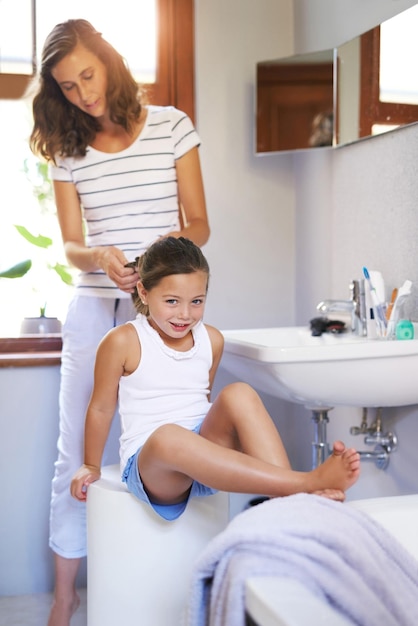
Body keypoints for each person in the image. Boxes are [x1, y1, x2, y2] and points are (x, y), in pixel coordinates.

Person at [29, 19, 209, 626]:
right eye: (68, 86)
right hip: (94, 308)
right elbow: (71, 247)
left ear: (108, 60)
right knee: (74, 452)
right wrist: (101, 258)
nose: (83, 93)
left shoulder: (171, 125)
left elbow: (200, 223)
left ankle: (173, 585)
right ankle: (64, 597)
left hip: (165, 309)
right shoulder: (66, 148)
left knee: (181, 437)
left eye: (88, 74)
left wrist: (166, 251)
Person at [71, 236, 360, 546]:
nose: (185, 314)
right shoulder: (122, 341)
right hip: (154, 466)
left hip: (203, 453)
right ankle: (304, 485)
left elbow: (204, 401)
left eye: (196, 301)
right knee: (168, 435)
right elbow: (101, 407)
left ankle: (289, 507)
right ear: (144, 291)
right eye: (172, 301)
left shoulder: (212, 340)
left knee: (239, 393)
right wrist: (90, 464)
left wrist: (211, 442)